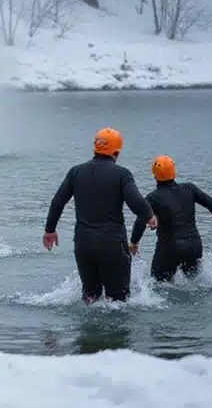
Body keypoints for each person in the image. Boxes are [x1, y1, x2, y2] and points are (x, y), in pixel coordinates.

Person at [42, 127, 157, 304]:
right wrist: (150, 216)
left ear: (95, 148)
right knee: (118, 300)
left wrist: (50, 230)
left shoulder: (76, 172)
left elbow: (58, 201)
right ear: (116, 152)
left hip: (83, 244)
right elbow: (136, 202)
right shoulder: (122, 174)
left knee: (90, 297)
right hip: (112, 244)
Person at [130, 155, 212, 282]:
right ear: (174, 172)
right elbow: (210, 202)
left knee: (158, 286)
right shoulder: (189, 188)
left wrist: (134, 242)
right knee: (195, 284)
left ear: (154, 175)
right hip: (194, 246)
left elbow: (141, 220)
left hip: (170, 248)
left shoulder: (153, 198)